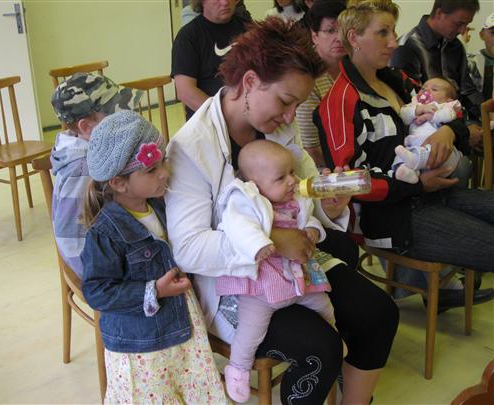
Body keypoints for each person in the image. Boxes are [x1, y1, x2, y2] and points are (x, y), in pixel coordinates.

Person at [166, 17, 399, 404]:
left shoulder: (276, 127)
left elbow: (306, 196)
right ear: (250, 82)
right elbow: (189, 248)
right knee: (319, 349)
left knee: (379, 313)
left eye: (297, 105)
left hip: (295, 266)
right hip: (237, 284)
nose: (291, 117)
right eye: (286, 101)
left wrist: (327, 205)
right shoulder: (192, 147)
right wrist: (271, 240)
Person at [315, 0, 494, 310]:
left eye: (393, 32)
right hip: (391, 215)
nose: (394, 43)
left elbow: (448, 108)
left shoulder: (396, 80)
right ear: (354, 38)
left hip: (431, 194)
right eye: (382, 33)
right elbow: (351, 183)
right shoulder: (340, 101)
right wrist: (418, 184)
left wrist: (450, 132)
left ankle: (448, 283)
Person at [80, 110, 228, 404]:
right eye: (151, 169)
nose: (165, 173)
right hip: (142, 349)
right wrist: (153, 291)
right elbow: (97, 291)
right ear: (119, 183)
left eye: (164, 162)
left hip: (181, 328)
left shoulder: (161, 205)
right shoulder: (105, 233)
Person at [216, 140, 345, 403]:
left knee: (325, 305)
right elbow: (236, 227)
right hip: (262, 285)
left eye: (291, 173)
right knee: (251, 329)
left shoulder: (294, 199)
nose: (291, 181)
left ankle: (334, 334)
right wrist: (258, 244)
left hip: (297, 279)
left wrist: (312, 229)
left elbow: (308, 216)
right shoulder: (246, 200)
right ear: (254, 184)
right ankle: (238, 369)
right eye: (281, 177)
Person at [50, 73, 140, 277]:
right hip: (101, 268)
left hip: (113, 244)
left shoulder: (95, 150)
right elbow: (70, 239)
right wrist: (100, 277)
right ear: (85, 127)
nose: (124, 120)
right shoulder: (83, 169)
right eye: (115, 115)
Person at [390, 0, 483, 141]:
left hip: (457, 122)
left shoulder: (455, 46)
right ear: (439, 13)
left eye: (466, 24)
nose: (463, 31)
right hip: (426, 134)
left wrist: (486, 114)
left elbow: (468, 91)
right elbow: (409, 105)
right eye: (459, 24)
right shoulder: (407, 47)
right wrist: (463, 132)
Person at [171, 0, 248, 120]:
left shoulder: (248, 28)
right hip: (210, 119)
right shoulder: (188, 36)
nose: (225, 2)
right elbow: (185, 92)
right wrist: (224, 118)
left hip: (249, 114)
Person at [296, 0, 346, 167]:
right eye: (330, 31)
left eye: (343, 30)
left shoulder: (353, 65)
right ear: (314, 35)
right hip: (323, 168)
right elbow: (311, 148)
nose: (339, 38)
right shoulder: (307, 76)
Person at [393, 77, 466, 185]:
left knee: (423, 153)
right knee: (401, 155)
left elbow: (449, 115)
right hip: (413, 144)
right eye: (423, 88)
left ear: (448, 100)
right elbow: (404, 116)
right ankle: (407, 172)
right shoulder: (415, 104)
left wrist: (432, 116)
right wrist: (418, 109)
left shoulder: (444, 106)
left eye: (434, 89)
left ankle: (414, 163)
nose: (426, 90)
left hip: (435, 147)